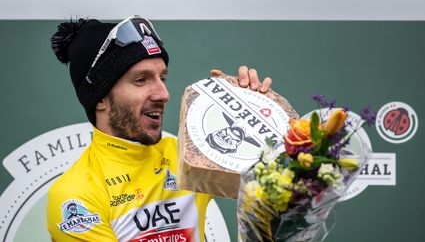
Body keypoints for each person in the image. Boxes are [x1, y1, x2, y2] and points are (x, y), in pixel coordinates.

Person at [46, 15, 273, 242]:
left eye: (162, 77)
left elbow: (279, 197)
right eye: (141, 80)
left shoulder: (189, 155)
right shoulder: (75, 196)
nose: (163, 94)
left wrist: (260, 115)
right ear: (100, 99)